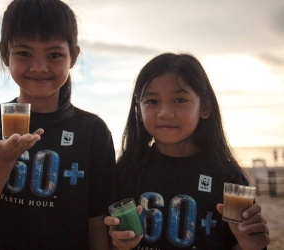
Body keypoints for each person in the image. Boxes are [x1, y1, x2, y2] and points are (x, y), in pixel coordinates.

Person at [0, 0, 115, 249]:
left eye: (54, 54)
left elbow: (97, 222)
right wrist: (0, 163)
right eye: (24, 53)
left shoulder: (93, 131)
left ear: (73, 57)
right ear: (5, 53)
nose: (38, 66)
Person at [105, 53, 270, 250]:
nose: (165, 112)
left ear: (205, 107)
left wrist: (250, 245)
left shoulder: (228, 178)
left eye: (180, 100)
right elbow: (108, 237)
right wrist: (117, 242)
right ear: (138, 110)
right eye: (151, 102)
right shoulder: (128, 169)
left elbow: (242, 242)